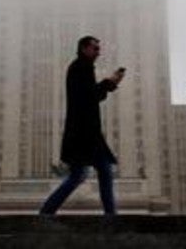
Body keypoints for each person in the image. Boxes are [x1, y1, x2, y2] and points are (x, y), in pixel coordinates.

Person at [39, 35, 125, 215]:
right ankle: (111, 217)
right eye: (95, 48)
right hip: (86, 134)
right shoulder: (81, 67)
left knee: (79, 176)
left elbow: (91, 97)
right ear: (84, 48)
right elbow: (89, 96)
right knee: (103, 170)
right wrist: (109, 83)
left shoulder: (82, 67)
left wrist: (109, 85)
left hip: (81, 133)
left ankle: (46, 213)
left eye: (98, 48)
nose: (98, 52)